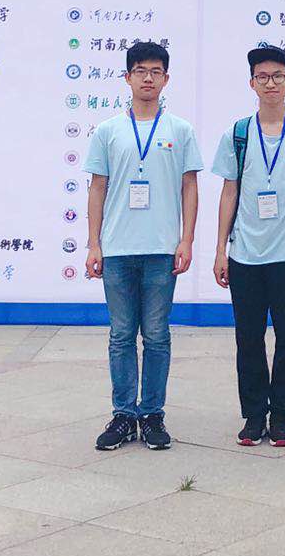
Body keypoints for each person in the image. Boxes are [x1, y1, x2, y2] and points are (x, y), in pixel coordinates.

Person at [84, 41, 202, 451]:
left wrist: (186, 239)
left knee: (156, 335)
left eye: (155, 71)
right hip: (117, 248)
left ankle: (152, 414)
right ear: (127, 77)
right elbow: (97, 187)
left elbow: (190, 186)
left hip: (162, 249)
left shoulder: (180, 130)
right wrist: (94, 244)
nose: (147, 78)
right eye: (140, 71)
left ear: (166, 79)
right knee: (121, 335)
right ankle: (123, 414)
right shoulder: (108, 131)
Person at [212, 45, 285, 449]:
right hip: (245, 255)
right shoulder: (238, 134)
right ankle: (253, 415)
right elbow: (229, 191)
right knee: (248, 339)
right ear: (252, 83)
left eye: (278, 76)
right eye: (262, 77)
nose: (271, 83)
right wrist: (220, 250)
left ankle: (281, 415)